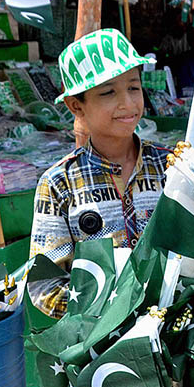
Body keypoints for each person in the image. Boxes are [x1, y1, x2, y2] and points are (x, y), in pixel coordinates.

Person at [29, 28, 172, 273]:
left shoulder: (171, 166)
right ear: (76, 105)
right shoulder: (59, 184)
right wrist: (101, 308)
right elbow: (46, 284)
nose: (128, 104)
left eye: (134, 88)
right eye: (108, 92)